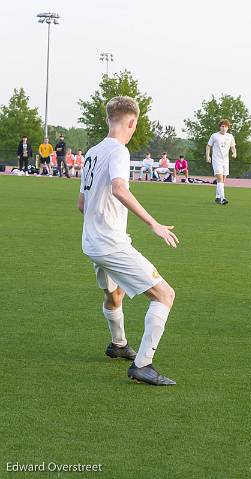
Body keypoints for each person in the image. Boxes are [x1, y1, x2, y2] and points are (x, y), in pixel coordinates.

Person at [76, 95, 179, 386]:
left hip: (92, 242)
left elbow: (81, 205)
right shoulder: (119, 152)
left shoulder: (92, 152)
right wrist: (153, 224)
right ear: (131, 122)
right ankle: (143, 364)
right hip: (110, 244)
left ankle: (118, 343)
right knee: (165, 295)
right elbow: (120, 188)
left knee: (114, 293)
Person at [206, 119, 237, 205]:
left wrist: (234, 153)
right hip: (217, 160)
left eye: (226, 126)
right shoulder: (214, 136)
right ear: (220, 127)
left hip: (225, 161)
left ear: (228, 128)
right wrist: (208, 156)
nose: (224, 128)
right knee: (219, 179)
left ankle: (217, 196)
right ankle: (223, 198)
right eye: (222, 126)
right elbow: (208, 146)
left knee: (223, 180)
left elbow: (233, 147)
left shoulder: (230, 136)